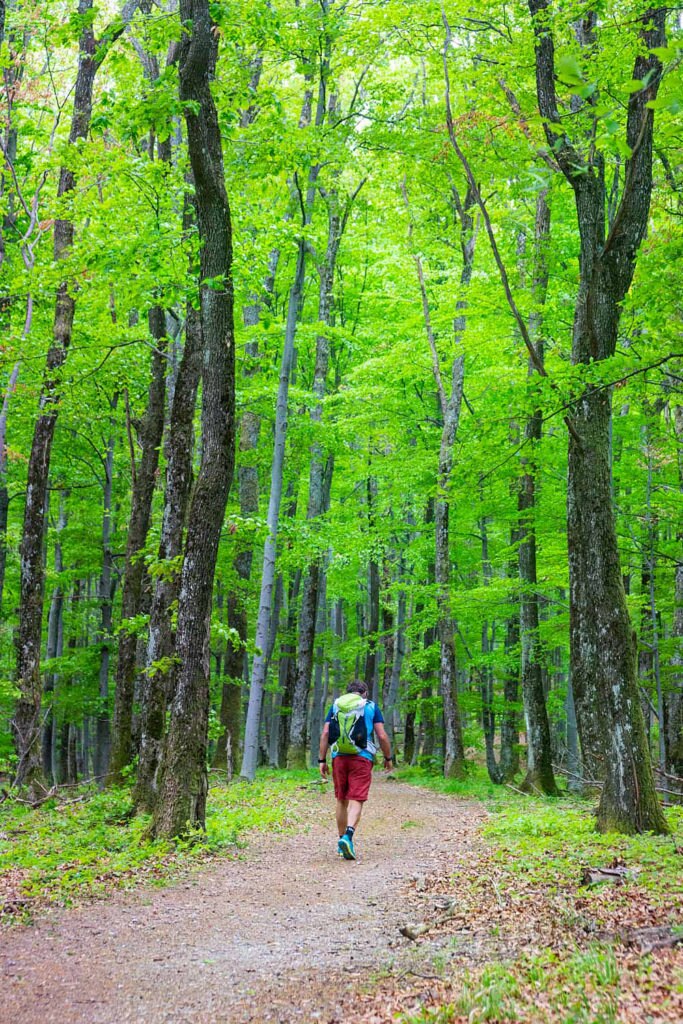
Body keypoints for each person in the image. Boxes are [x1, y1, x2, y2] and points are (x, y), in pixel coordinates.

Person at [318, 679, 393, 860]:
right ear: (364, 693)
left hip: (339, 757)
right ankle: (348, 836)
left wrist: (322, 759)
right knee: (356, 798)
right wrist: (388, 757)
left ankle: (340, 840)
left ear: (347, 692)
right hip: (362, 757)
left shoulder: (336, 706)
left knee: (341, 799)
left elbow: (326, 733)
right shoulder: (370, 707)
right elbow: (381, 735)